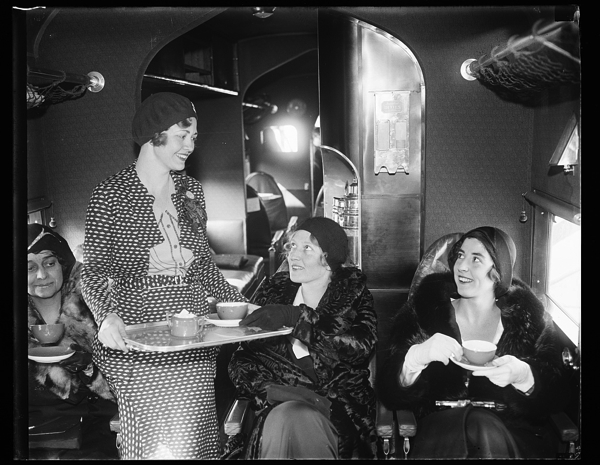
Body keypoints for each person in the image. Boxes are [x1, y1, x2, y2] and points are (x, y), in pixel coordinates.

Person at [81, 92, 248, 459]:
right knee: (157, 445)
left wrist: (244, 306)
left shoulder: (191, 191)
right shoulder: (111, 194)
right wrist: (106, 316)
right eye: (181, 136)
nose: (190, 145)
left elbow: (203, 265)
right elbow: (92, 269)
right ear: (153, 135)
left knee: (195, 438)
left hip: (192, 339)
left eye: (194, 137)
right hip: (138, 341)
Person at [376, 226, 570, 459]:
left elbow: (556, 396)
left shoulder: (530, 322)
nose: (461, 266)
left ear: (498, 271)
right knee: (475, 426)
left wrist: (524, 376)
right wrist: (414, 359)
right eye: (460, 255)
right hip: (439, 433)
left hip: (510, 434)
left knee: (481, 426)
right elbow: (388, 391)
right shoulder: (424, 312)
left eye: (476, 259)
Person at [228, 216, 378, 459]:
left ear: (328, 259)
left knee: (293, 417)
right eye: (292, 246)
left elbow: (359, 347)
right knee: (288, 415)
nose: (293, 256)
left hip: (338, 414)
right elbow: (241, 359)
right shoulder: (272, 294)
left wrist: (297, 318)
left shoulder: (352, 296)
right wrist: (271, 390)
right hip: (278, 408)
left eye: (307, 248)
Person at [27, 224, 118, 459]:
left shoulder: (100, 307)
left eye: (49, 263)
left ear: (63, 263)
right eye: (29, 268)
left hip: (95, 423)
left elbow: (132, 380)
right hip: (35, 427)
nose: (41, 275)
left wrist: (88, 369)